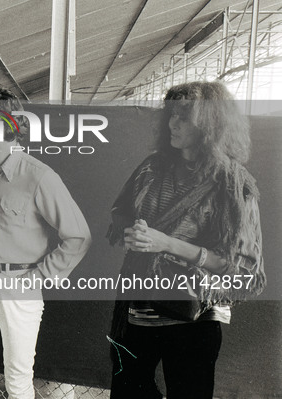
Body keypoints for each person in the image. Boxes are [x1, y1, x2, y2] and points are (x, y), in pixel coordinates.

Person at [106, 81, 266, 399]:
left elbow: (240, 266)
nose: (172, 123)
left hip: (195, 314)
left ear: (210, 124)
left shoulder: (234, 185)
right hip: (140, 309)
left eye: (184, 117)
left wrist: (167, 244)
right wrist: (133, 231)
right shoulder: (153, 168)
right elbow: (120, 210)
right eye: (171, 115)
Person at [0, 83, 91, 399]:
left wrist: (35, 279)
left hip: (17, 288)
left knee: (18, 385)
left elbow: (78, 237)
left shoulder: (39, 177)